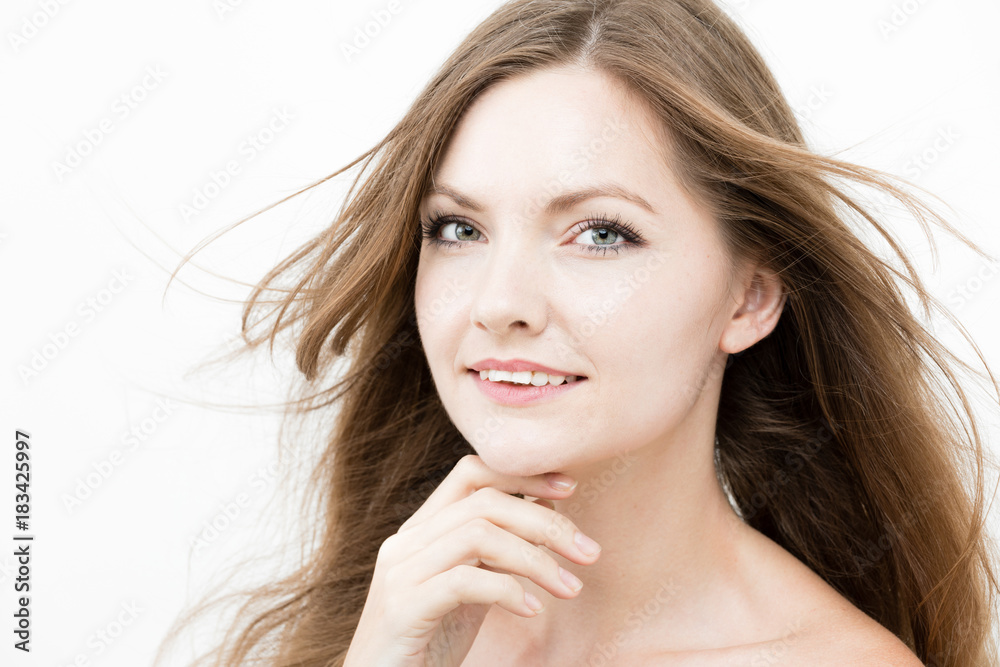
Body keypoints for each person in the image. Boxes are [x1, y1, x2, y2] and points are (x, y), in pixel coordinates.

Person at [159, 0, 999, 665]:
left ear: (748, 298)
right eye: (458, 229)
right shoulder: (380, 623)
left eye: (600, 233)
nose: (499, 302)